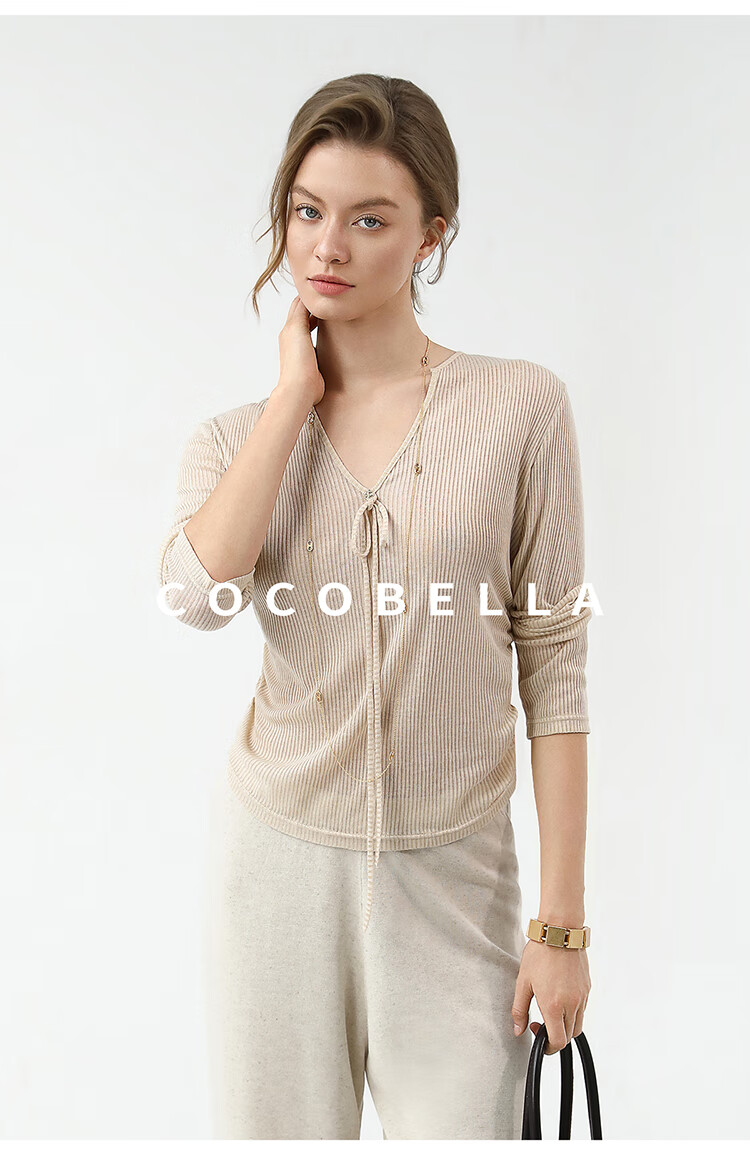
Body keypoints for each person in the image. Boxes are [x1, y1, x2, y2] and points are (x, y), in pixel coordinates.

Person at [157, 73, 593, 1141]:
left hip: (457, 881)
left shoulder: (520, 407)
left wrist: (561, 929)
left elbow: (555, 661)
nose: (328, 247)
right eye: (307, 211)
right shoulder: (233, 439)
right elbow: (195, 596)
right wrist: (290, 403)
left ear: (432, 236)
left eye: (369, 219)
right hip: (275, 869)